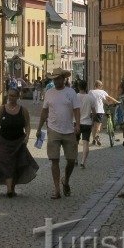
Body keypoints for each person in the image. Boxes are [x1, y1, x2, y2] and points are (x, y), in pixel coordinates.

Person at [36, 67, 80, 198]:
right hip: (53, 129)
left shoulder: (71, 92)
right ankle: (57, 189)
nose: (55, 81)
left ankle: (65, 180)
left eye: (58, 79)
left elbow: (76, 109)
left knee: (71, 160)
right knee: (54, 160)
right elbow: (44, 111)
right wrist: (39, 128)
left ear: (63, 79)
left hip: (69, 130)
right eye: (54, 79)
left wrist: (78, 124)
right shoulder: (49, 93)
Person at [0, 87, 38, 197]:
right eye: (10, 95)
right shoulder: (2, 109)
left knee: (15, 165)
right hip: (3, 141)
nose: (11, 98)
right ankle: (9, 189)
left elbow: (27, 125)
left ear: (18, 97)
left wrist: (27, 136)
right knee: (7, 164)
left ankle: (12, 188)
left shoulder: (23, 110)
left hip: (18, 142)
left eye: (14, 96)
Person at [89, 80, 118, 146]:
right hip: (99, 111)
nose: (102, 87)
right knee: (98, 126)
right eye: (101, 85)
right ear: (98, 85)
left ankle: (93, 140)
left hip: (92, 111)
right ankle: (96, 136)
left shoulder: (90, 92)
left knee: (94, 126)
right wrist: (116, 101)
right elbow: (108, 98)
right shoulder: (102, 92)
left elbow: (90, 100)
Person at [76, 80, 94, 168]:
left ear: (78, 87)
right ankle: (83, 162)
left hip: (76, 122)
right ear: (86, 87)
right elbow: (94, 112)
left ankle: (75, 159)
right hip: (87, 123)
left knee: (75, 142)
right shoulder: (90, 98)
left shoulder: (75, 97)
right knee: (86, 143)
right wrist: (93, 121)